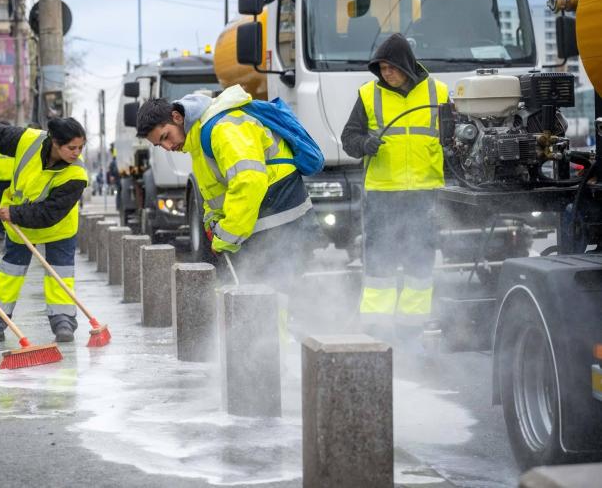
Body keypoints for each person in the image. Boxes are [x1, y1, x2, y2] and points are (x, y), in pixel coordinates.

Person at [135, 85, 315, 291]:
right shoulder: (198, 141)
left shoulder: (222, 128)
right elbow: (218, 190)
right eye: (159, 145)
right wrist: (213, 219)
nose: (167, 147)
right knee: (268, 297)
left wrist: (227, 235)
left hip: (283, 220)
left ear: (176, 117)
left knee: (280, 297)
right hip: (267, 223)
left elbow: (248, 181)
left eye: (165, 137)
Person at [340, 33, 450, 340]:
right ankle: (377, 331)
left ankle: (411, 332)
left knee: (420, 265)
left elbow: (454, 141)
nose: (385, 73)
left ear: (406, 65)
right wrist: (365, 143)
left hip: (424, 195)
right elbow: (349, 139)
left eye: (391, 67)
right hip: (382, 195)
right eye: (381, 68)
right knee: (380, 266)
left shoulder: (438, 92)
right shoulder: (367, 94)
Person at [0, 118, 88, 343]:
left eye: (81, 147)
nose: (77, 153)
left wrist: (15, 213)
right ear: (55, 142)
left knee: (60, 275)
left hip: (57, 228)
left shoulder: (77, 174)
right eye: (72, 148)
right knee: (10, 273)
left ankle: (63, 322)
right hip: (19, 226)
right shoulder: (28, 140)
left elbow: (50, 213)